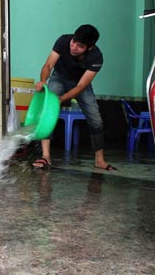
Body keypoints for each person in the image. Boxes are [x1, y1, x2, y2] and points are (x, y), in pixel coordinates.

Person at [31, 24, 116, 171]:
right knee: (48, 112)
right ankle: (46, 156)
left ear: (89, 48)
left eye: (80, 46)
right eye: (74, 42)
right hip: (59, 77)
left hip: (80, 83)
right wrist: (44, 83)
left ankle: (99, 160)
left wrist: (62, 98)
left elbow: (81, 86)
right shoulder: (63, 41)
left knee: (96, 118)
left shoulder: (96, 57)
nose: (74, 47)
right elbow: (48, 65)